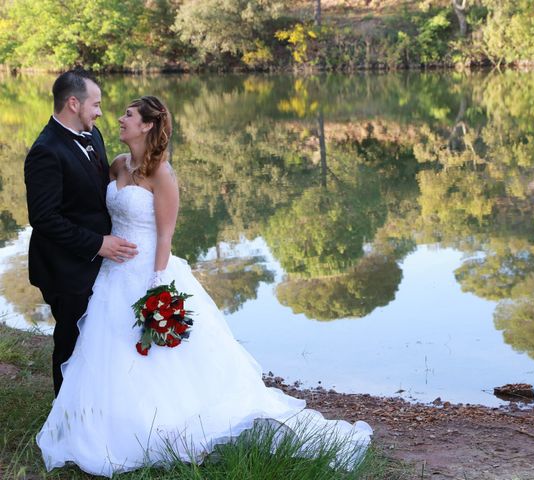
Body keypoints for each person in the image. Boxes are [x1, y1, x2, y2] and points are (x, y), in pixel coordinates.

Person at [36, 96, 372, 477]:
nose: (118, 119)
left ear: (147, 125)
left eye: (128, 115)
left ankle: (172, 425)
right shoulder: (117, 164)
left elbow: (166, 234)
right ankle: (113, 423)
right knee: (108, 351)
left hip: (150, 272)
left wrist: (158, 286)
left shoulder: (163, 173)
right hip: (113, 274)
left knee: (159, 355)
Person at [24, 68, 138, 396]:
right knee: (71, 343)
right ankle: (66, 415)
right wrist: (98, 243)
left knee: (96, 337)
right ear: (74, 103)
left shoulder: (94, 135)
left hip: (97, 262)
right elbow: (44, 218)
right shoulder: (46, 151)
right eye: (96, 105)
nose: (101, 112)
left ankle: (95, 403)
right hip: (65, 266)